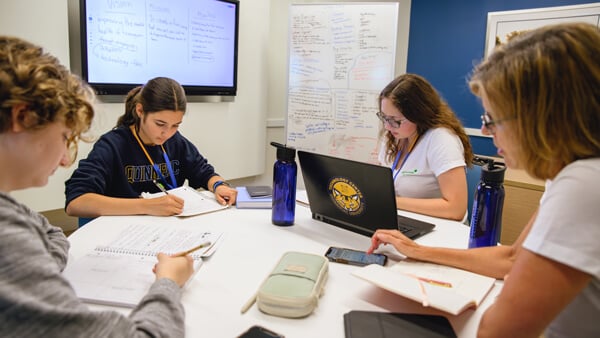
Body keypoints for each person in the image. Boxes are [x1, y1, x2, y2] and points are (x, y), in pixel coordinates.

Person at [368, 22, 600, 337]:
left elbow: (495, 331)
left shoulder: (584, 185)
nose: (487, 133)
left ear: (542, 118)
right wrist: (418, 251)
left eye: (492, 119)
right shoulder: (572, 174)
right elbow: (510, 258)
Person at [0, 36, 194, 336]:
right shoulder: (7, 238)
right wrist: (168, 283)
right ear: (21, 117)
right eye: (65, 136)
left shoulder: (12, 213)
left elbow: (49, 231)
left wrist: (36, 262)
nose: (66, 159)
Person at [65, 76, 237, 218]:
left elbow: (203, 171)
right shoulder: (113, 145)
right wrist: (146, 206)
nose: (167, 133)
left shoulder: (175, 141)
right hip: (125, 232)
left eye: (175, 125)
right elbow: (76, 202)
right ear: (140, 111)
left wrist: (219, 185)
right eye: (160, 123)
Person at [376, 73, 474, 221]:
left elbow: (456, 209)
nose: (387, 126)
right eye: (384, 117)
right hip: (403, 219)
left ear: (419, 114)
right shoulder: (393, 135)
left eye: (395, 120)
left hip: (440, 228)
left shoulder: (441, 139)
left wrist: (394, 203)